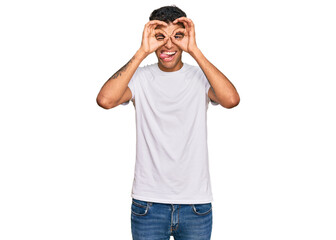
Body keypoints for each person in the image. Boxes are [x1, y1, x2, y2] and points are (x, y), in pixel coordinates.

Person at [96, 5, 240, 240]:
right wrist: (142, 51)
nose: (169, 45)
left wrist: (194, 50)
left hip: (195, 204)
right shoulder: (141, 78)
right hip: (148, 204)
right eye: (160, 37)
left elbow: (231, 100)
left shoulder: (200, 77)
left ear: (187, 38)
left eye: (178, 36)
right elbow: (105, 100)